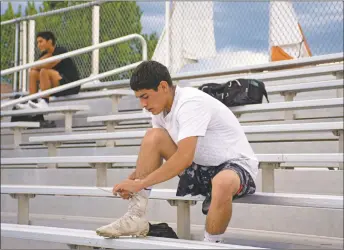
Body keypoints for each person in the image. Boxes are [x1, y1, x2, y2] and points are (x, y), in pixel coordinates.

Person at [96, 61, 258, 243]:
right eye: (139, 98)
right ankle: (135, 216)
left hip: (234, 166)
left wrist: (140, 184)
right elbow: (156, 152)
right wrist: (132, 181)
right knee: (153, 136)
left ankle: (210, 245)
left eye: (145, 96)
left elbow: (184, 158)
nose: (143, 104)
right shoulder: (158, 110)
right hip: (201, 168)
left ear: (163, 86)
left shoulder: (190, 103)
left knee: (222, 181)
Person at [16, 31, 80, 109]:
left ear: (49, 41)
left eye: (41, 41)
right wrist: (46, 57)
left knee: (44, 71)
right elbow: (33, 67)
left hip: (70, 86)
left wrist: (39, 65)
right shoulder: (44, 54)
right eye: (37, 42)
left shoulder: (61, 50)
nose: (38, 45)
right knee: (33, 73)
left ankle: (45, 102)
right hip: (56, 87)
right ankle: (32, 101)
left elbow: (49, 64)